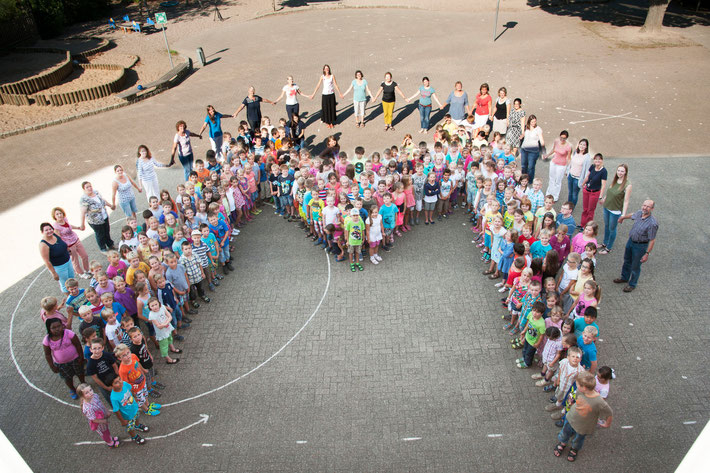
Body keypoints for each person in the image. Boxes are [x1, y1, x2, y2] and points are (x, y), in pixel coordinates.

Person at [553, 371, 612, 462]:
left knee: (579, 438)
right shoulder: (580, 391)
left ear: (584, 388)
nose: (576, 386)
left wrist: (607, 423)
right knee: (565, 432)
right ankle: (563, 442)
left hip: (584, 425)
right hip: (571, 418)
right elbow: (575, 399)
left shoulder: (599, 401)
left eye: (578, 385)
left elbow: (609, 412)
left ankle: (574, 449)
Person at [614, 199, 658, 292]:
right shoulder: (639, 213)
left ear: (652, 209)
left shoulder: (652, 223)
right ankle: (624, 277)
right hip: (631, 242)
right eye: (644, 205)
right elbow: (632, 215)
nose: (645, 208)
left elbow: (652, 240)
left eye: (648, 206)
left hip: (640, 246)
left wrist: (647, 254)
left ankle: (632, 284)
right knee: (627, 260)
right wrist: (623, 217)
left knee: (635, 265)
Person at [43, 318, 85, 399]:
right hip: (61, 364)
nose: (57, 329)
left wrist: (81, 357)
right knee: (67, 377)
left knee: (80, 372)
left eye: (59, 326)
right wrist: (52, 366)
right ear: (49, 329)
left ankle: (83, 384)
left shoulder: (69, 333)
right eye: (53, 328)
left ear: (62, 325)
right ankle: (72, 389)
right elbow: (47, 354)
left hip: (75, 359)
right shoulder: (47, 340)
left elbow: (78, 345)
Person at [599, 164, 632, 255]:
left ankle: (608, 247)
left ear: (625, 172)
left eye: (622, 171)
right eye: (618, 170)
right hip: (607, 207)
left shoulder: (627, 185)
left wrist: (623, 215)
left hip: (615, 211)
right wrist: (604, 199)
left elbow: (626, 201)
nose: (620, 173)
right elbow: (610, 191)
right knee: (606, 226)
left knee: (612, 228)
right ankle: (604, 243)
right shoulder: (615, 180)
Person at [51, 207, 91, 279]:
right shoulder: (56, 226)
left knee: (84, 256)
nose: (59, 215)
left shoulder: (65, 219)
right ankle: (81, 273)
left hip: (75, 240)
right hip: (69, 245)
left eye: (60, 213)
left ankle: (87, 270)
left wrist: (78, 227)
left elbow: (69, 226)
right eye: (57, 214)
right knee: (75, 260)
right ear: (54, 216)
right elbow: (59, 238)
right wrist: (66, 247)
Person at [109, 374, 150, 445]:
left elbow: (131, 389)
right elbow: (116, 411)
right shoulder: (114, 397)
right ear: (111, 386)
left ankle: (137, 426)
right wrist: (122, 420)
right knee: (130, 428)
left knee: (137, 417)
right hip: (127, 416)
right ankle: (134, 436)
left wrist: (135, 397)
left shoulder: (124, 384)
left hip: (134, 407)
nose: (120, 382)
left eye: (119, 379)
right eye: (116, 382)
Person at [76, 383, 119, 447]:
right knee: (104, 433)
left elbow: (101, 403)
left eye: (90, 390)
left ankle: (110, 438)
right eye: (87, 393)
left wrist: (106, 411)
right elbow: (94, 420)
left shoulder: (94, 396)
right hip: (99, 423)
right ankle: (109, 442)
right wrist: (103, 421)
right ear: (82, 396)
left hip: (102, 417)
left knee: (106, 430)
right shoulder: (88, 408)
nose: (90, 393)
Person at [79, 181, 115, 253]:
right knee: (100, 234)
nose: (90, 188)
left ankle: (110, 244)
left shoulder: (96, 192)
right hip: (95, 221)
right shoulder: (84, 199)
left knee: (106, 231)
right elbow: (83, 212)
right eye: (87, 187)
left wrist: (110, 205)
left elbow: (103, 201)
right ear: (84, 189)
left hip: (104, 216)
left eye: (90, 186)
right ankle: (103, 248)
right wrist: (82, 224)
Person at [39, 222, 75, 293]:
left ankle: (75, 294)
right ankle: (69, 298)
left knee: (72, 279)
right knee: (65, 284)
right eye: (46, 230)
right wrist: (54, 273)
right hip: (59, 267)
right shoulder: (43, 245)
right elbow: (47, 261)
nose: (49, 231)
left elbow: (62, 243)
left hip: (68, 261)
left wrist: (68, 249)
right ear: (42, 232)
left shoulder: (55, 234)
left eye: (50, 229)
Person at [579, 153, 607, 227]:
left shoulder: (604, 171)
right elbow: (588, 177)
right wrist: (583, 185)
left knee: (590, 210)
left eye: (599, 159)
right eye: (596, 159)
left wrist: (600, 197)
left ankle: (588, 226)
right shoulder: (592, 166)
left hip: (594, 193)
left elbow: (603, 185)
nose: (597, 161)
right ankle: (582, 224)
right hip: (587, 190)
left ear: (602, 160)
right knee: (585, 209)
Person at [545, 130, 572, 202]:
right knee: (551, 178)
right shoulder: (556, 141)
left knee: (558, 181)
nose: (562, 140)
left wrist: (567, 169)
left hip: (561, 165)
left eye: (564, 138)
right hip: (554, 163)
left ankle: (555, 196)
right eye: (561, 137)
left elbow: (569, 158)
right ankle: (549, 193)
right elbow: (554, 149)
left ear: (566, 138)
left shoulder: (568, 146)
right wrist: (548, 155)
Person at [520, 115, 545, 181]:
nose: (534, 123)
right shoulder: (526, 128)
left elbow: (542, 141)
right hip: (524, 149)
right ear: (529, 122)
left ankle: (530, 180)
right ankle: (523, 179)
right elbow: (523, 135)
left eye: (535, 121)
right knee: (524, 166)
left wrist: (543, 151)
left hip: (533, 151)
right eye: (532, 122)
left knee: (531, 167)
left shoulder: (538, 129)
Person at [567, 139, 590, 207]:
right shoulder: (575, 152)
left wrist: (584, 182)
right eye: (581, 144)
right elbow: (571, 163)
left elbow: (587, 170)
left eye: (584, 145)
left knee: (574, 194)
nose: (582, 146)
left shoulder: (587, 157)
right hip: (570, 176)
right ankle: (568, 206)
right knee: (570, 193)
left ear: (586, 147)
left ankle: (571, 208)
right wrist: (568, 171)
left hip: (578, 178)